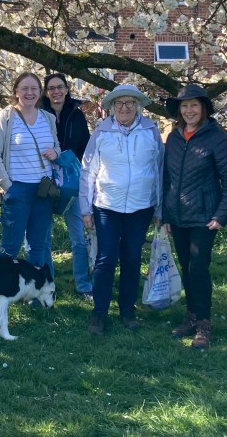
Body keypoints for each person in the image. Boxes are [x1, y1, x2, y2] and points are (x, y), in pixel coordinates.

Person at [80, 84, 164, 335]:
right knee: (106, 259)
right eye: (119, 104)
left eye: (129, 103)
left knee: (131, 257)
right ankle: (99, 312)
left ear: (137, 105)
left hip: (141, 207)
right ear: (112, 107)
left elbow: (159, 170)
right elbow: (88, 171)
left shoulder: (150, 130)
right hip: (107, 205)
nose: (124, 108)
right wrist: (86, 209)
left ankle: (127, 310)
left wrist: (159, 209)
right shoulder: (101, 132)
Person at [162, 84, 227, 349]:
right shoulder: (173, 138)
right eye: (185, 106)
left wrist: (222, 214)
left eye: (194, 105)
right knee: (186, 267)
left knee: (199, 268)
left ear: (203, 108)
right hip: (178, 215)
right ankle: (191, 317)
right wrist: (166, 214)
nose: (189, 110)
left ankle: (204, 324)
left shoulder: (215, 137)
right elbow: (166, 178)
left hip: (205, 216)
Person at [0, 72, 60, 269]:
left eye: (34, 89)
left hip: (44, 190)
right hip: (18, 189)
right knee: (10, 247)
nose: (30, 93)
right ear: (16, 92)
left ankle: (34, 296)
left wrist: (56, 152)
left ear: (40, 92)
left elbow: (57, 147)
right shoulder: (5, 117)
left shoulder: (48, 118)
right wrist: (8, 186)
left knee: (37, 246)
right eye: (25, 88)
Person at [43, 73, 93, 299]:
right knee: (42, 237)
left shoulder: (77, 115)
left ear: (66, 89)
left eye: (60, 87)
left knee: (78, 238)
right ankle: (47, 283)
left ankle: (83, 284)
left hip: (72, 183)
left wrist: (71, 163)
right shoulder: (39, 115)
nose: (56, 92)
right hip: (45, 182)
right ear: (46, 92)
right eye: (51, 88)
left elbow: (86, 146)